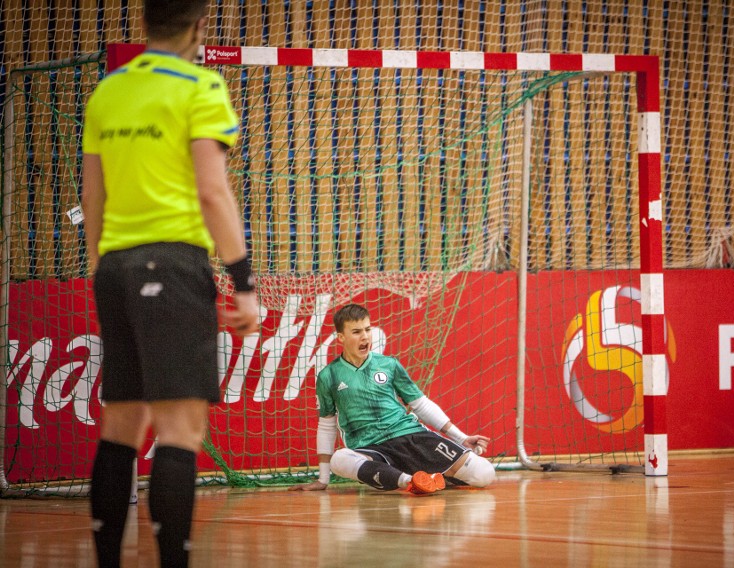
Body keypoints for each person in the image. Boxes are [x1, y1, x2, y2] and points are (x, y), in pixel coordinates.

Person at [81, 1, 259, 566]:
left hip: (114, 265)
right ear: (199, 25)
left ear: (143, 23)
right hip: (174, 265)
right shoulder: (201, 86)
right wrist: (243, 280)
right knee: (181, 429)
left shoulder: (109, 90)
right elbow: (213, 191)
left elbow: (93, 194)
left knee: (121, 425)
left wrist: (99, 269)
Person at [290, 304, 496, 494]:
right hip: (371, 448)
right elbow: (327, 425)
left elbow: (420, 404)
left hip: (411, 435)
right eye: (356, 332)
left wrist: (461, 438)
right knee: (340, 459)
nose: (365, 337)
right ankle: (409, 481)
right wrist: (323, 479)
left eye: (367, 329)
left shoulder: (389, 364)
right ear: (341, 337)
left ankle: (433, 477)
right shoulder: (329, 376)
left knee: (484, 473)